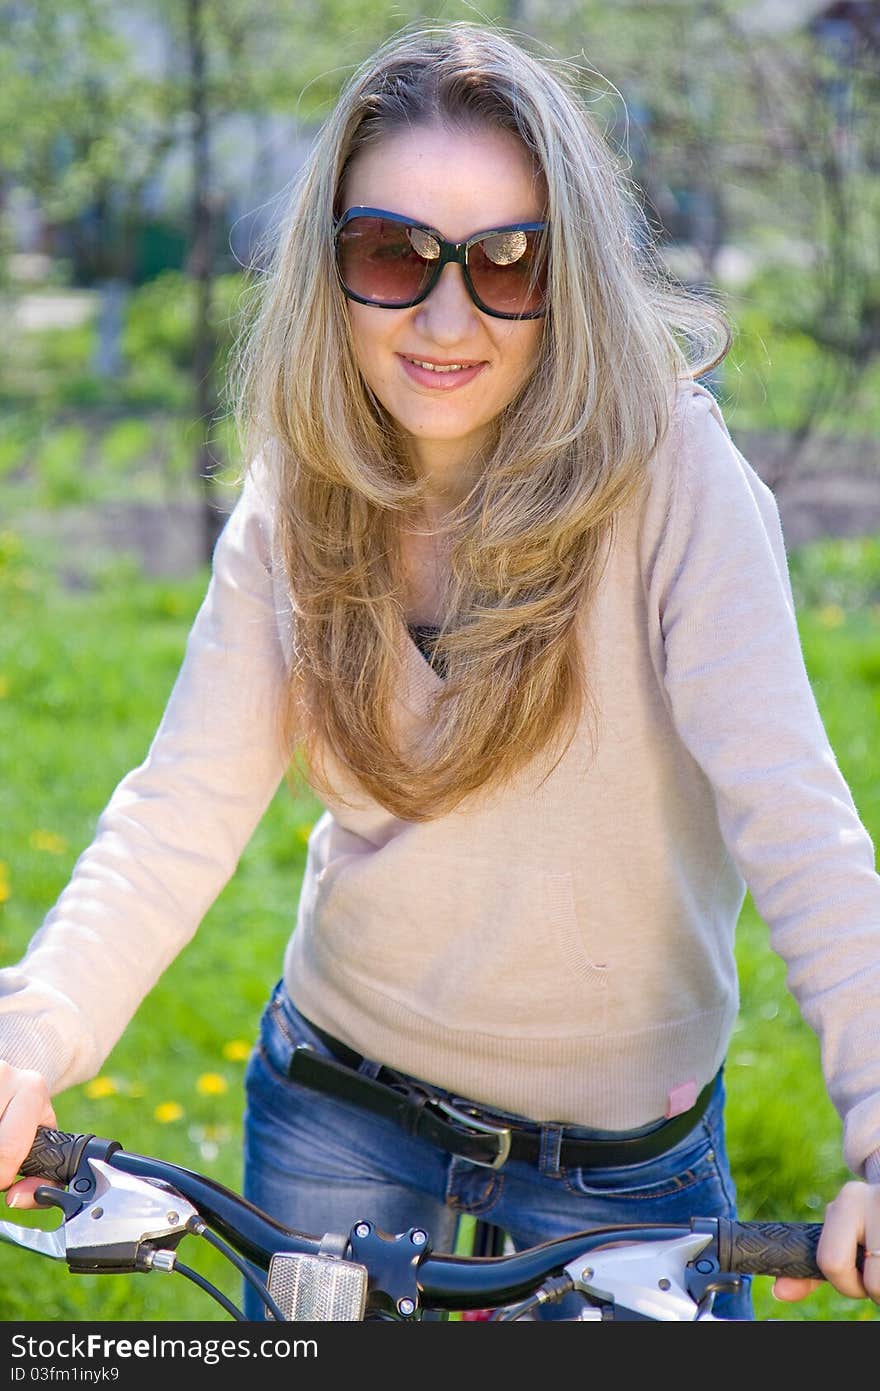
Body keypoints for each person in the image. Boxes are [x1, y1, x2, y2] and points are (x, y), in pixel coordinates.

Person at [1, 20, 879, 1323]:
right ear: (329, 263)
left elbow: (797, 822)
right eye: (390, 252)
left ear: (567, 271)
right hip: (337, 1116)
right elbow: (180, 804)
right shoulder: (306, 489)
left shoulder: (673, 480)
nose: (446, 316)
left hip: (620, 1173)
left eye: (507, 262)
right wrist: (28, 1036)